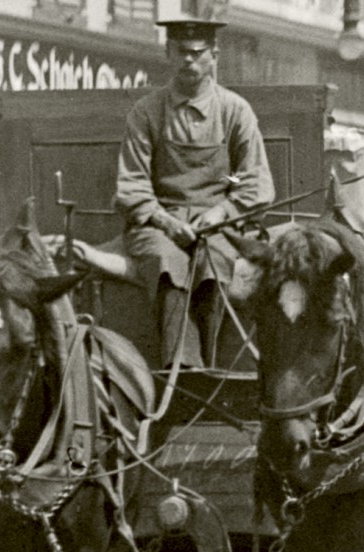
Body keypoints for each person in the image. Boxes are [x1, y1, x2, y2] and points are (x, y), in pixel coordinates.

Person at [113, 18, 275, 368]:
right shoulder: (146, 112)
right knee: (167, 262)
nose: (188, 60)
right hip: (157, 224)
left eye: (197, 53)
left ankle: (212, 365)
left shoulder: (235, 111)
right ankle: (181, 368)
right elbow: (132, 185)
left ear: (214, 56)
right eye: (180, 52)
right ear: (168, 55)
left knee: (215, 263)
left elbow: (255, 183)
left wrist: (220, 213)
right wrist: (166, 222)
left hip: (216, 224)